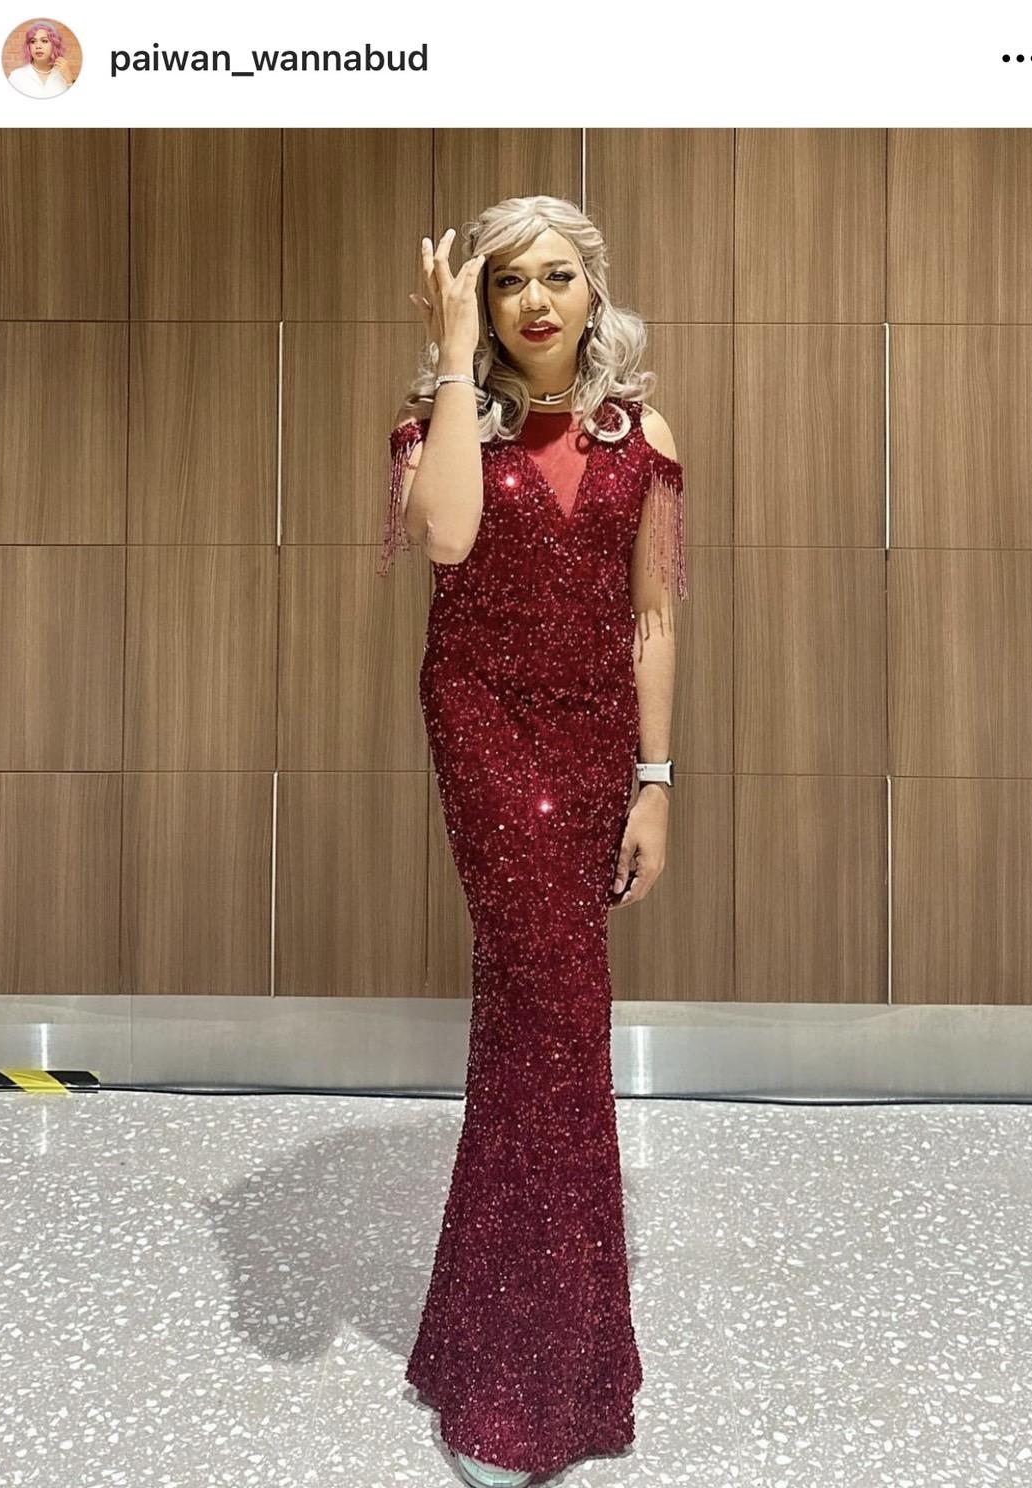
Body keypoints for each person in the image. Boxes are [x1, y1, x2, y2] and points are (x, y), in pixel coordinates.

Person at [379, 196, 687, 1488]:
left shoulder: (640, 433)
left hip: (595, 737)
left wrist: (655, 783)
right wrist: (453, 358)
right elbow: (446, 537)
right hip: (488, 733)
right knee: (552, 1016)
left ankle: (509, 1352)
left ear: (591, 289)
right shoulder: (437, 424)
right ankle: (518, 1383)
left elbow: (651, 618)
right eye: (507, 282)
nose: (535, 301)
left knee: (539, 1025)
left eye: (557, 276)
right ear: (482, 303)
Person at [7, 22, 75, 97]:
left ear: (54, 45)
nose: (38, 46)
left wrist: (70, 81)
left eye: (44, 41)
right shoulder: (16, 76)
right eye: (33, 41)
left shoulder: (64, 75)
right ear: (29, 47)